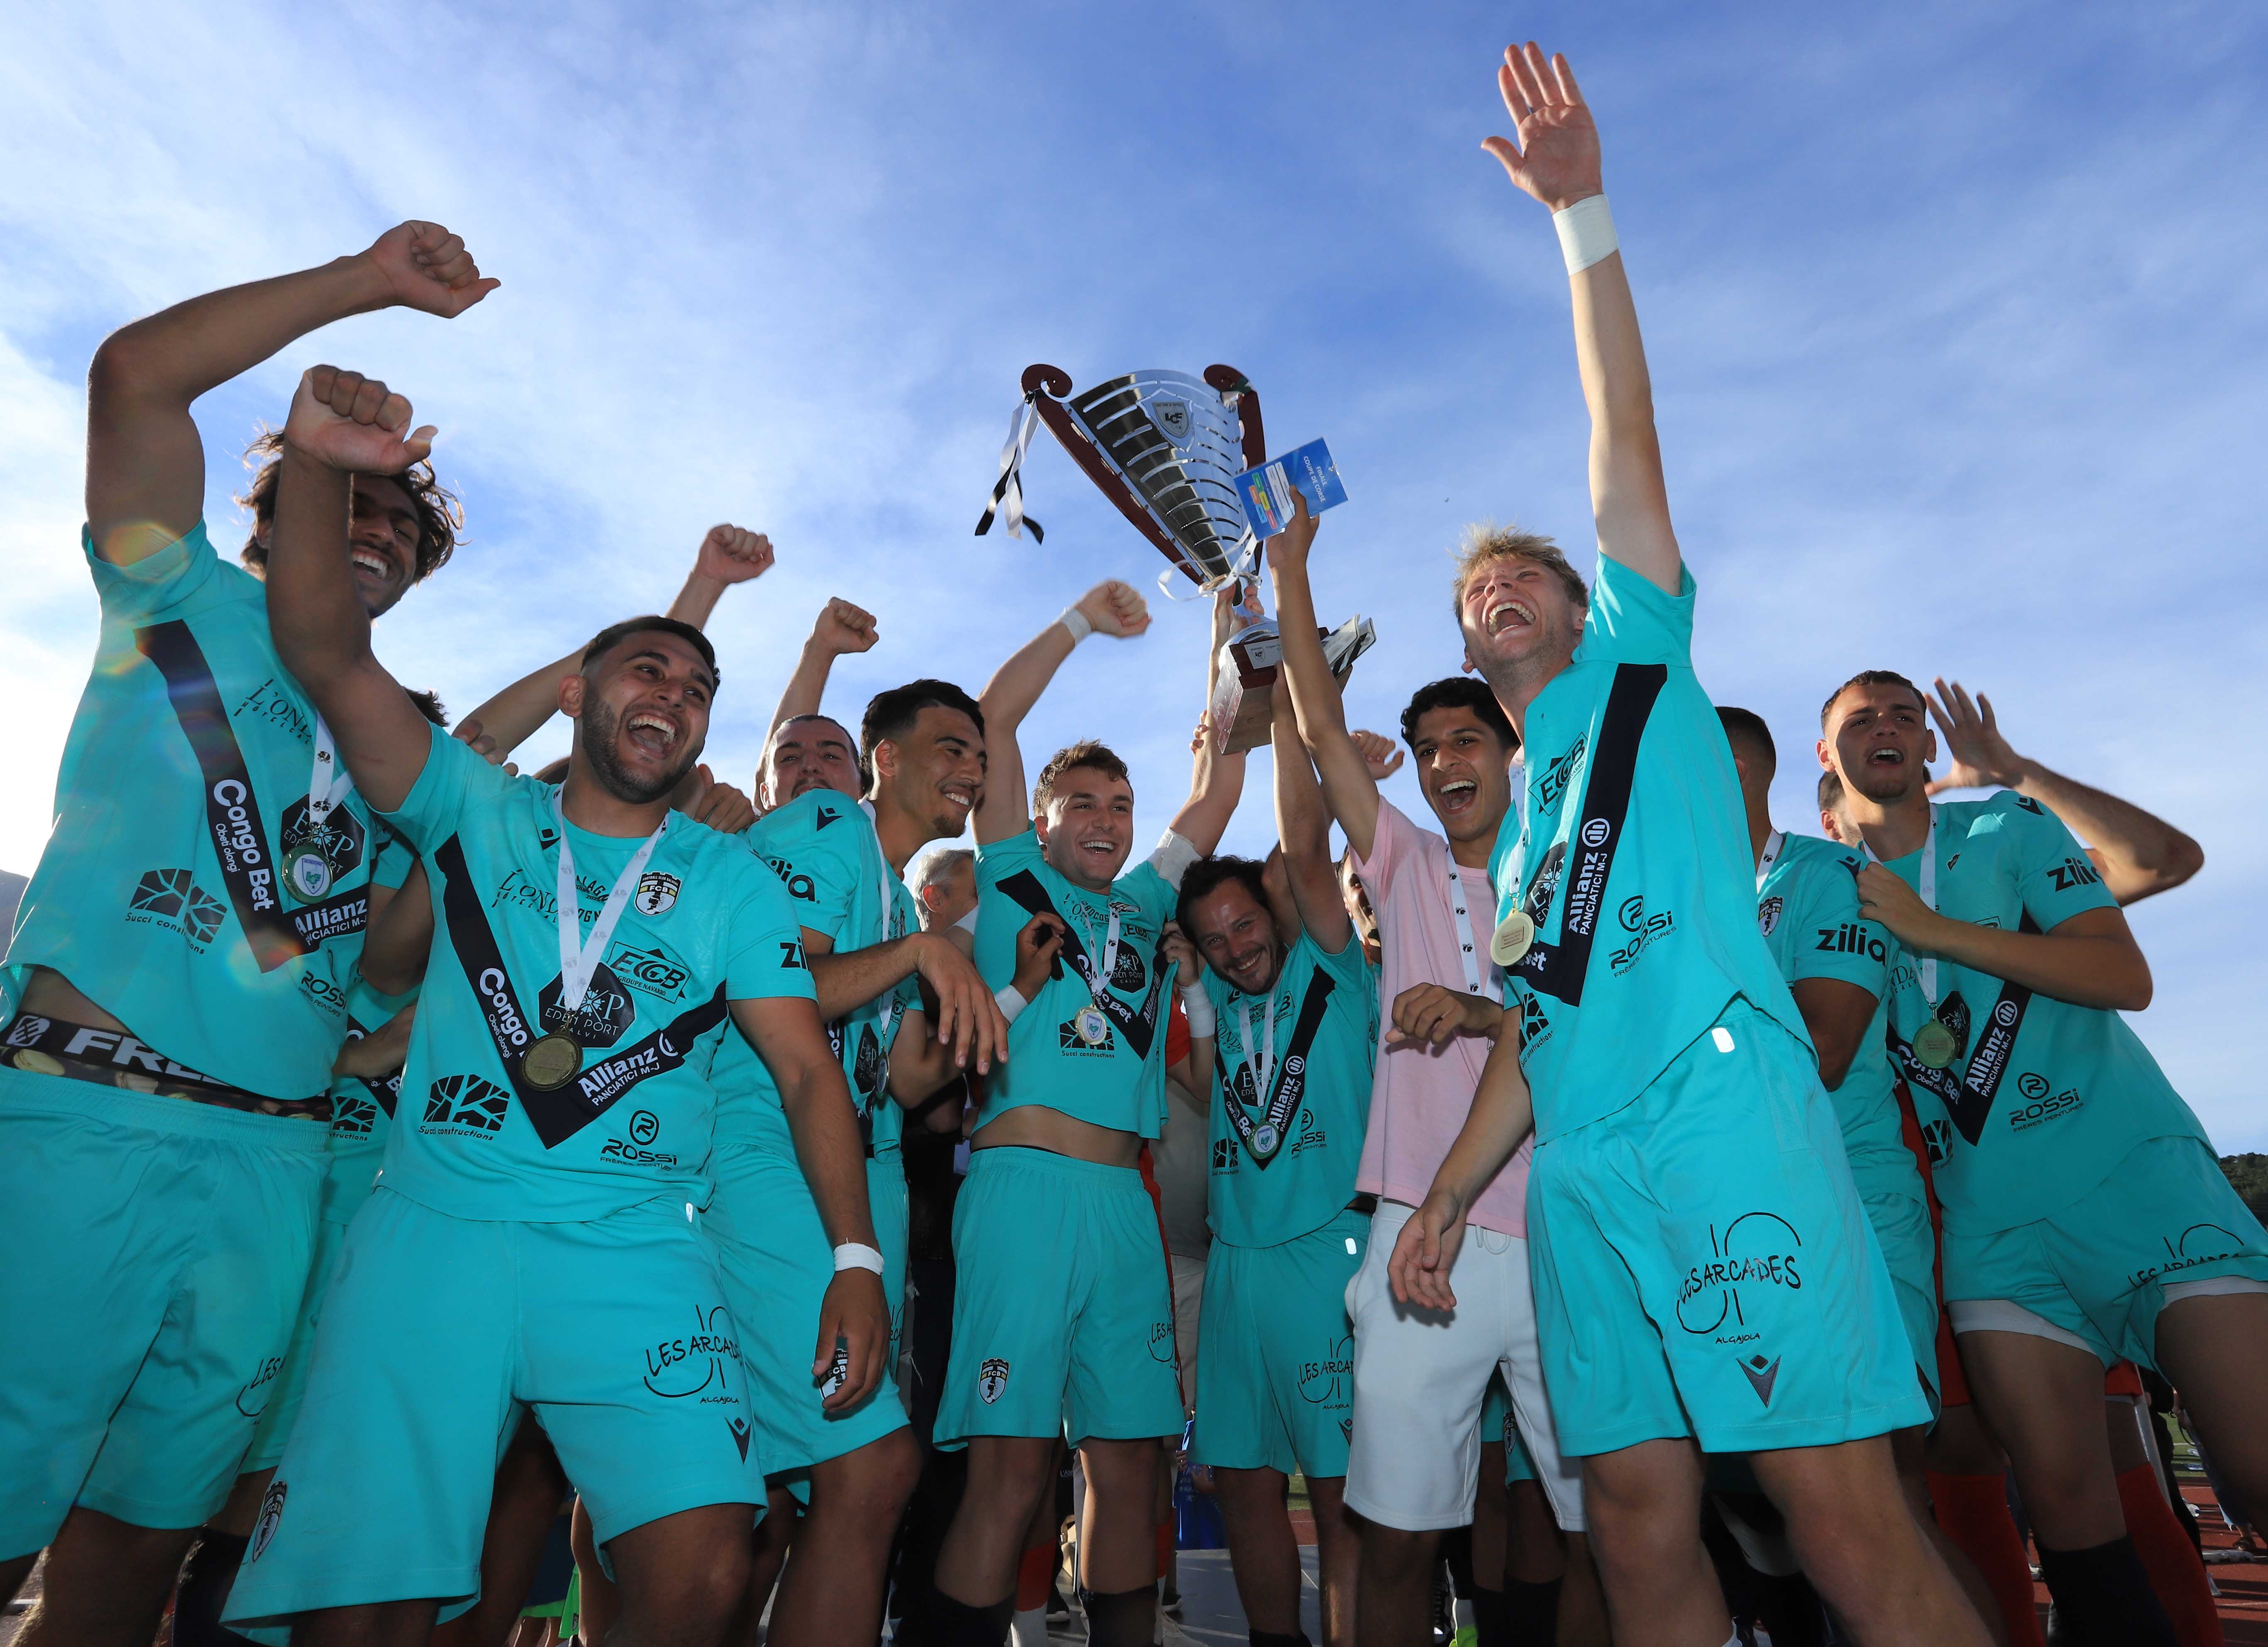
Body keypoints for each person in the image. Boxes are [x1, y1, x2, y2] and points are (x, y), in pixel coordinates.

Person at [1387, 44, 1990, 1645]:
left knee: (1834, 1508)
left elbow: (1623, 435)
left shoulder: (1640, 671)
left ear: (1582, 603)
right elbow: (1536, 1036)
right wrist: (1447, 1193)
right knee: (1640, 1527)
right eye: (1471, 593)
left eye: (1523, 574)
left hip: (1717, 1110)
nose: (1493, 589)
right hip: (1581, 1167)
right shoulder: (1515, 834)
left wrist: (1578, 217)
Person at [219, 365, 879, 1647]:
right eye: (646, 670)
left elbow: (807, 1071)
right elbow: (325, 650)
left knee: (706, 1567)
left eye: (697, 688)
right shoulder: (473, 804)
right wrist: (315, 466)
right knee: (366, 1606)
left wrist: (855, 1258)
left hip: (633, 1242)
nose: (672, 694)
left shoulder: (731, 878)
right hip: (435, 1229)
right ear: (580, 692)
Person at [0, 222, 492, 1647]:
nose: (378, 532)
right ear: (270, 509)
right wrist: (366, 285)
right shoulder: (174, 591)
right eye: (349, 501)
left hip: (277, 1165)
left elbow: (381, 966)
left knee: (131, 1562)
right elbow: (135, 378)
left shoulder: (394, 742)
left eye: (402, 525)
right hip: (85, 1117)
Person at [176, 525, 773, 1647]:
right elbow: (397, 952)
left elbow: (628, 714)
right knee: (284, 1506)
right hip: (372, 1184)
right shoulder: (462, 833)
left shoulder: (609, 859)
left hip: (498, 1194)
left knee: (491, 1508)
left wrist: (690, 609)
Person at [1821, 667, 2265, 1645]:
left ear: (1927, 747)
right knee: (2067, 1517)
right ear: (1826, 754)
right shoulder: (1822, 896)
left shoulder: (2004, 828)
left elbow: (2122, 972)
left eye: (1904, 715)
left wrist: (2006, 784)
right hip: (1989, 1228)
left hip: (2136, 1179)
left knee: (2253, 1465)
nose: (1885, 727)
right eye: (1860, 718)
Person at [1266, 498, 1598, 1647]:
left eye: (1469, 741)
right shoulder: (1401, 860)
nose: (1447, 761)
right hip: (1421, 1233)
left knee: (1608, 1528)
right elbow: (1316, 720)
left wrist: (1475, 1010)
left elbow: (1585, 1027)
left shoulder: (1572, 864)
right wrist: (1289, 566)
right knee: (1397, 1536)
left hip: (1564, 1226)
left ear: (1513, 753)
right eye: (1430, 749)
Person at [911, 580, 1248, 1647]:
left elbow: (1221, 781)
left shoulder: (1145, 904)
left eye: (1120, 805)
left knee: (1130, 1463)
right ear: (1042, 820)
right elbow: (995, 715)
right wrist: (1078, 623)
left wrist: (1225, 633)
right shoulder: (1010, 876)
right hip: (1022, 1193)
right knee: (1012, 1468)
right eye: (1083, 805)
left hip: (1120, 1206)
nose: (1105, 821)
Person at [705, 674, 1012, 1647]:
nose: (970, 769)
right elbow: (768, 984)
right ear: (885, 757)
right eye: (951, 746)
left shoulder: (894, 900)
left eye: (979, 756)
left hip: (852, 1166)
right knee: (870, 1467)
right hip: (767, 1146)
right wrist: (921, 955)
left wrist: (1001, 995)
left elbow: (911, 1077)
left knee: (776, 1492)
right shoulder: (832, 822)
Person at [1718, 705, 2008, 1633]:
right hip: (1734, 1227)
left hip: (1848, 1213)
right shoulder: (1682, 901)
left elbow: (1826, 1045)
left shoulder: (1824, 873)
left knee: (1882, 1499)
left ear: (1734, 771)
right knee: (1792, 1513)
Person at [1161, 706, 1379, 1647]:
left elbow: (1301, 843)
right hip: (1235, 1267)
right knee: (1243, 1485)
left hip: (1328, 1249)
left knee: (1338, 1495)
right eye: (1213, 938)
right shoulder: (1215, 1000)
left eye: (1245, 923)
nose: (1235, 946)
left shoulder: (1327, 966)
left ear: (1274, 913)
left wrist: (1287, 705)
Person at [756, 598, 877, 812]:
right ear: (765, 794)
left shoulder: (877, 834)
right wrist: (821, 647)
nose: (810, 767)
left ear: (861, 786)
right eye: (790, 758)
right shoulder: (734, 835)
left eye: (831, 756)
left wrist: (822, 647)